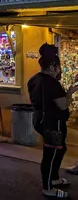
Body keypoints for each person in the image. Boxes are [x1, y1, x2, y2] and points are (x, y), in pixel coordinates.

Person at [28, 43, 78, 198]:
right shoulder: (52, 83)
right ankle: (48, 187)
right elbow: (62, 105)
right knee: (51, 154)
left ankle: (54, 179)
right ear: (51, 66)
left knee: (60, 149)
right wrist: (70, 93)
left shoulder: (34, 79)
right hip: (52, 123)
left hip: (39, 120)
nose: (59, 70)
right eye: (58, 66)